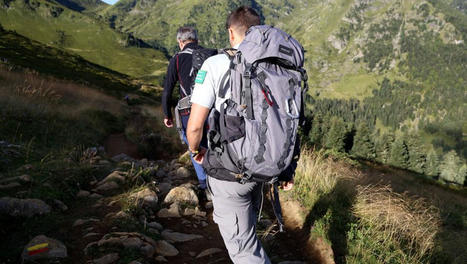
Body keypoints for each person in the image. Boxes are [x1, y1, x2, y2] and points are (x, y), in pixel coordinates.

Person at [186, 6, 296, 263]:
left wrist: (195, 150)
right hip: (262, 163)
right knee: (249, 233)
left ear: (231, 33)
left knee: (243, 250)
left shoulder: (215, 64)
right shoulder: (274, 66)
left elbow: (194, 126)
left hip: (229, 169)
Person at [161, 26, 209, 192]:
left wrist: (167, 114)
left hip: (188, 111)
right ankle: (220, 181)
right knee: (214, 145)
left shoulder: (177, 59)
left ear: (180, 42)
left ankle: (205, 185)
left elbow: (167, 89)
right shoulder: (212, 55)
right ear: (197, 40)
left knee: (194, 147)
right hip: (213, 110)